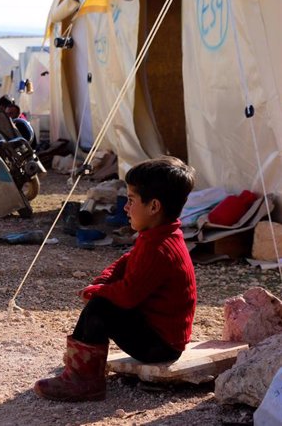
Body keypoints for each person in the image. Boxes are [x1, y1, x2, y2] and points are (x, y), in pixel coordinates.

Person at [34, 156, 197, 402]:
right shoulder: (158, 234)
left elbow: (129, 295)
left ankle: (84, 381)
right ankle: (80, 367)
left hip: (161, 346)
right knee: (102, 301)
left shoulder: (160, 248)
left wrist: (98, 292)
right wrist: (104, 280)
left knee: (100, 308)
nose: (126, 208)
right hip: (158, 333)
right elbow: (127, 261)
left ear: (154, 207)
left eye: (131, 200)